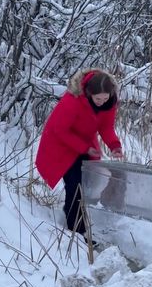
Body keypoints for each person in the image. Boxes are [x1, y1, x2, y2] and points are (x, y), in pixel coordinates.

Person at [35, 68, 123, 239]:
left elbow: (106, 127)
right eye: (98, 99)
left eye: (105, 99)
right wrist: (84, 147)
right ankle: (77, 231)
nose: (101, 102)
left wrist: (114, 145)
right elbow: (59, 130)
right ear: (89, 93)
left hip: (84, 144)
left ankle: (83, 220)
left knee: (88, 184)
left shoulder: (109, 102)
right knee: (75, 186)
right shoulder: (73, 100)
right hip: (60, 145)